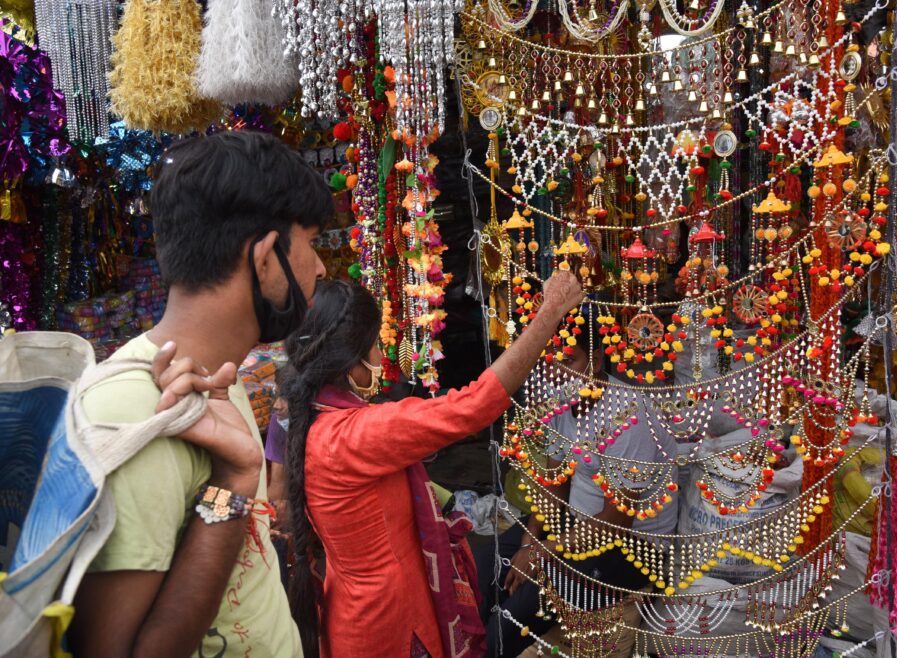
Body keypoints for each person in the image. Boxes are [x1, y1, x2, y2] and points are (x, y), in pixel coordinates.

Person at [67, 130, 332, 658]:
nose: (321, 267)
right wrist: (234, 481)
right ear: (263, 258)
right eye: (311, 243)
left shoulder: (211, 378)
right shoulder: (137, 409)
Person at [279, 273, 583, 658]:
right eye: (374, 347)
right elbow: (475, 405)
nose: (380, 359)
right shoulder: (353, 435)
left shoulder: (316, 418)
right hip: (391, 621)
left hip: (356, 611)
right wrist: (550, 312)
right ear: (349, 359)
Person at [474, 308, 680, 658]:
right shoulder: (562, 402)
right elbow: (555, 483)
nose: (555, 372)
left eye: (567, 360)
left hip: (630, 547)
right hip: (577, 522)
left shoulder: (628, 419)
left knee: (503, 630)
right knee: (484, 571)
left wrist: (542, 552)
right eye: (549, 360)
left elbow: (617, 523)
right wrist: (529, 539)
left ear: (596, 359)